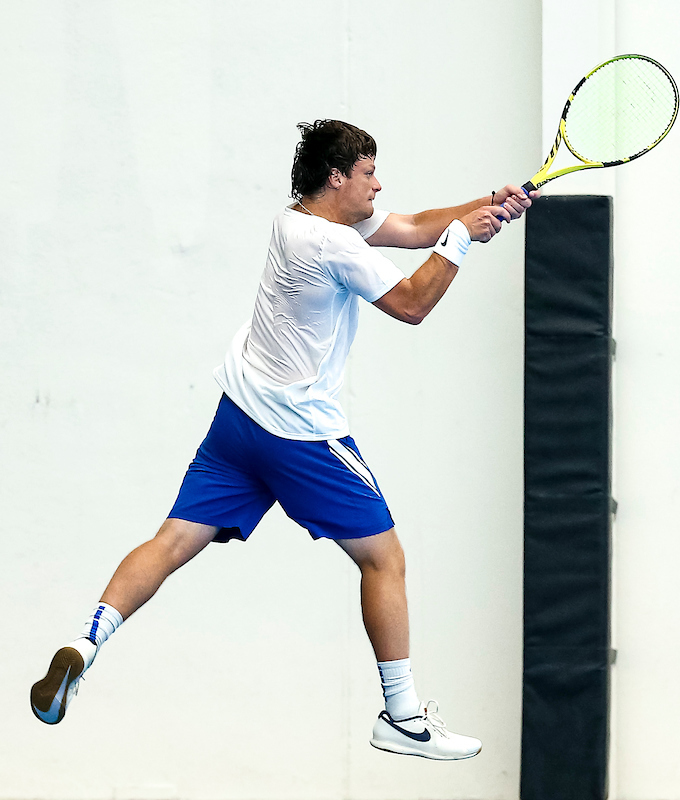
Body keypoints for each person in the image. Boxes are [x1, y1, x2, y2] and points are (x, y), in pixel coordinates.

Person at [30, 119, 535, 761]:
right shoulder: (335, 246)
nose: (379, 185)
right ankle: (403, 717)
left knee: (173, 538)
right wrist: (463, 241)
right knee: (385, 560)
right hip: (299, 437)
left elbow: (410, 227)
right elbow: (412, 303)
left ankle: (86, 642)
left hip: (238, 418)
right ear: (336, 178)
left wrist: (483, 208)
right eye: (369, 173)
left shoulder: (294, 221)